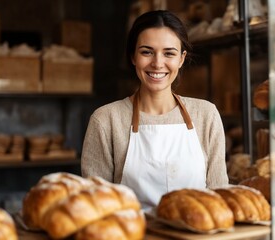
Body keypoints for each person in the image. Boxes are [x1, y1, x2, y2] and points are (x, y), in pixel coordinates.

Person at [81, 10, 229, 210]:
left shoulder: (206, 115)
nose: (158, 63)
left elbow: (219, 200)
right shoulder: (106, 119)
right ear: (133, 56)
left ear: (181, 59)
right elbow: (98, 206)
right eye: (147, 52)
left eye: (169, 53)